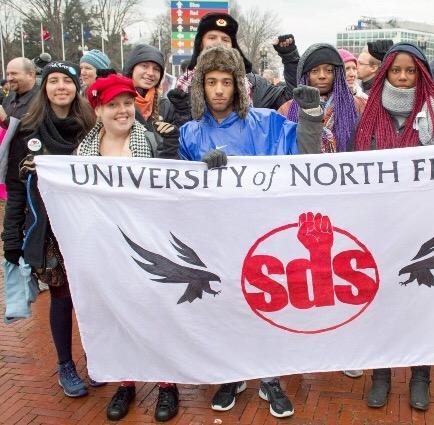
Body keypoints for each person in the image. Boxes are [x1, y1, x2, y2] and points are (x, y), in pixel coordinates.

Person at [178, 45, 321, 417]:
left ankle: (269, 378)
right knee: (226, 305)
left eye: (227, 81)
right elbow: (177, 193)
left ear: (239, 85)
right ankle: (232, 373)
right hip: (217, 237)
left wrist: (310, 115)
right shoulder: (190, 133)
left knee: (267, 302)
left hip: (265, 231)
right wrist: (201, 176)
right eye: (212, 82)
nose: (220, 90)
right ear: (201, 87)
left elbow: (307, 155)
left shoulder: (268, 121)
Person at [351, 42, 434, 411]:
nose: (402, 78)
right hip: (381, 225)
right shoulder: (369, 112)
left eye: (410, 72)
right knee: (383, 300)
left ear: (420, 74)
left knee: (421, 301)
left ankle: (420, 375)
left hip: (423, 223)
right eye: (396, 71)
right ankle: (382, 374)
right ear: (385, 72)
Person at [80, 74, 179, 422]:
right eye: (112, 105)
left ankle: (168, 385)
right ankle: (126, 382)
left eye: (126, 103)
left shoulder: (150, 141)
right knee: (118, 314)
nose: (122, 110)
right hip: (108, 247)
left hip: (149, 244)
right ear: (98, 111)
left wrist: (171, 148)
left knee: (158, 314)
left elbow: (171, 188)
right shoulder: (83, 153)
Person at [2, 61, 96, 398]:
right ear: (45, 87)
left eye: (66, 81)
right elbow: (15, 189)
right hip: (50, 232)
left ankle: (95, 357)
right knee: (62, 296)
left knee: (93, 296)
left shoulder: (91, 128)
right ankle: (65, 364)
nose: (60, 87)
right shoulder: (28, 131)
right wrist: (10, 237)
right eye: (53, 81)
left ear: (75, 88)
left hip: (88, 228)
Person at [169, 13, 299, 121]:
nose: (219, 43)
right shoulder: (182, 90)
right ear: (200, 44)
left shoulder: (255, 84)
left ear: (232, 46)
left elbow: (291, 97)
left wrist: (289, 57)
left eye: (225, 39)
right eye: (212, 37)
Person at [278, 43, 366, 153]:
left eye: (329, 70)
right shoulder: (287, 109)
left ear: (338, 74)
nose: (322, 76)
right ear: (305, 75)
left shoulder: (358, 105)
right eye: (314, 71)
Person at [1, 58, 38, 128]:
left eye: (14, 73)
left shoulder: (43, 100)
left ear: (30, 75)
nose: (9, 78)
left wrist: (5, 120)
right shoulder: (8, 98)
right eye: (8, 74)